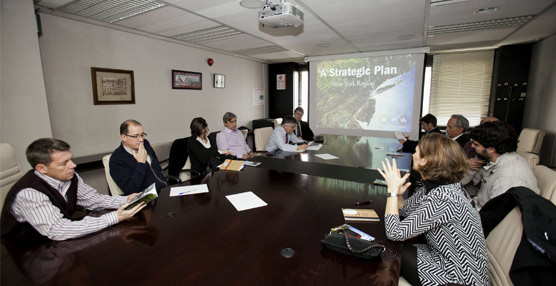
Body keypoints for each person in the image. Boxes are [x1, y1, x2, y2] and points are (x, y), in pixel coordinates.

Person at [379, 133, 489, 286]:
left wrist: (391, 191)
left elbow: (395, 233)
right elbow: (404, 210)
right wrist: (397, 195)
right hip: (443, 258)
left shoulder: (444, 198)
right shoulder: (438, 187)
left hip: (459, 278)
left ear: (425, 160)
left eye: (416, 152)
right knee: (390, 249)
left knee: (389, 250)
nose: (413, 155)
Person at [1, 138, 146, 241]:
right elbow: (58, 230)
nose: (73, 165)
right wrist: (114, 217)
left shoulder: (69, 177)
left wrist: (126, 200)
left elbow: (93, 200)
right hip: (24, 250)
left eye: (70, 159)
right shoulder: (30, 193)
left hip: (54, 242)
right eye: (64, 163)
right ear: (41, 168)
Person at [469, 121, 539, 209]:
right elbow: (475, 181)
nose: (472, 146)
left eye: (476, 145)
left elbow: (496, 213)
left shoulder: (509, 176)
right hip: (480, 205)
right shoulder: (497, 159)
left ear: (491, 149)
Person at [109, 120, 168, 195]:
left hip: (164, 190)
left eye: (142, 135)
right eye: (135, 136)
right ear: (124, 137)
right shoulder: (117, 159)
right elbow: (130, 190)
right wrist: (141, 164)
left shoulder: (145, 144)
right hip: (146, 198)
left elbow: (157, 167)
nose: (141, 140)